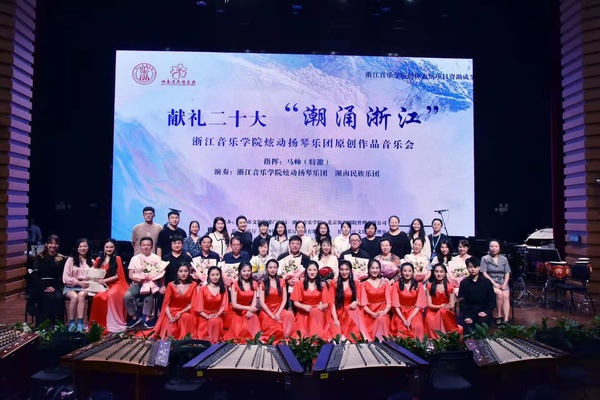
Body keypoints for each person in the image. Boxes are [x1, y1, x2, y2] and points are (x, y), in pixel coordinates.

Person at [88, 238, 129, 333]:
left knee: (111, 294)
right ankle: (99, 324)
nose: (109, 249)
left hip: (116, 283)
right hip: (102, 284)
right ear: (104, 247)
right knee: (98, 297)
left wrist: (104, 281)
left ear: (114, 248)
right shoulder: (98, 259)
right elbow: (94, 272)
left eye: (111, 247)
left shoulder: (117, 258)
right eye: (107, 247)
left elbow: (117, 276)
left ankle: (112, 323)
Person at [124, 237, 164, 328]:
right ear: (140, 246)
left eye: (148, 245)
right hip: (137, 283)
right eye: (143, 245)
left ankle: (148, 317)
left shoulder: (157, 258)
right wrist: (140, 280)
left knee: (149, 297)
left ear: (151, 246)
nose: (146, 247)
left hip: (150, 284)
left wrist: (149, 280)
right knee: (127, 296)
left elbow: (160, 273)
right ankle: (134, 316)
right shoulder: (134, 258)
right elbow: (130, 275)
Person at [153, 262, 197, 340]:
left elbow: (193, 303)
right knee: (171, 331)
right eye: (181, 271)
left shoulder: (193, 285)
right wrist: (170, 317)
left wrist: (181, 312)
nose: (183, 274)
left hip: (185, 311)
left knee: (187, 317)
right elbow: (166, 304)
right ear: (177, 273)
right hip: (171, 312)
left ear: (189, 272)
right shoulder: (171, 285)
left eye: (186, 271)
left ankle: (185, 340)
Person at [30, 234, 65, 327]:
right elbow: (35, 275)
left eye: (56, 243)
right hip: (40, 285)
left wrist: (54, 287)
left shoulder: (61, 258)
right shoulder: (39, 257)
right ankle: (44, 325)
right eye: (51, 243)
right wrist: (44, 287)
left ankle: (57, 325)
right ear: (46, 244)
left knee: (58, 297)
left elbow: (61, 276)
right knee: (47, 297)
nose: (53, 245)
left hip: (55, 285)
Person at [330, 260, 369, 342]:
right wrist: (335, 319)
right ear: (339, 270)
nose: (344, 272)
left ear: (350, 270)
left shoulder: (356, 284)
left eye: (346, 269)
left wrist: (355, 302)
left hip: (350, 312)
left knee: (355, 311)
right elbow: (331, 303)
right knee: (336, 335)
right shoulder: (333, 284)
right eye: (342, 269)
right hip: (337, 312)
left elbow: (361, 302)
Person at [291, 261, 330, 339]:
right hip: (303, 312)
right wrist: (304, 307)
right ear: (306, 271)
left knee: (317, 334)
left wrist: (322, 306)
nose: (312, 272)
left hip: (317, 312)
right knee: (301, 336)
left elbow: (326, 303)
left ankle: (317, 338)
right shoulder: (299, 284)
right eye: (310, 270)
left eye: (314, 270)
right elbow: (295, 302)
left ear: (317, 271)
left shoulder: (322, 285)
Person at [258, 259, 294, 341]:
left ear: (277, 268)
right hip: (267, 311)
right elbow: (262, 302)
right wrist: (272, 315)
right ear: (267, 269)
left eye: (274, 267)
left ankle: (286, 337)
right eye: (270, 267)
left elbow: (284, 299)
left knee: (289, 314)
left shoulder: (282, 281)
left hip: (279, 309)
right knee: (275, 329)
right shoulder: (262, 283)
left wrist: (278, 313)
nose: (272, 269)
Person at [458, 256, 496, 333]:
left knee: (482, 328)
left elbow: (492, 300)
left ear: (479, 268)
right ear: (467, 268)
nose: (473, 269)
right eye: (470, 267)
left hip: (484, 312)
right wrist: (466, 316)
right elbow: (462, 301)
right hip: (470, 313)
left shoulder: (486, 282)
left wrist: (486, 312)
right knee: (468, 330)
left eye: (475, 267)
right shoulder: (464, 283)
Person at [225, 262, 261, 341]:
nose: (246, 273)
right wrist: (249, 308)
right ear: (240, 272)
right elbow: (234, 304)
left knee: (253, 317)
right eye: (244, 271)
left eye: (248, 271)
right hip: (237, 311)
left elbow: (254, 302)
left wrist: (250, 310)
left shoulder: (254, 284)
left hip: (248, 309)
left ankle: (253, 340)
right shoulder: (235, 285)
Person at [63, 238, 93, 332]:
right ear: (77, 248)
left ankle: (80, 323)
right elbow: (65, 278)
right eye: (80, 246)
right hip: (71, 286)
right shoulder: (70, 260)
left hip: (85, 286)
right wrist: (77, 282)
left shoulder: (92, 261)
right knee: (74, 297)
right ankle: (72, 323)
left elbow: (94, 277)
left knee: (81, 295)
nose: (83, 248)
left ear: (88, 247)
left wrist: (86, 281)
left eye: (85, 246)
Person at [391, 262, 426, 339]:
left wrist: (410, 318)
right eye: (405, 271)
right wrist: (403, 319)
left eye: (409, 271)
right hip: (400, 312)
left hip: (414, 312)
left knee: (417, 326)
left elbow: (419, 305)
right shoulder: (396, 285)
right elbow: (396, 305)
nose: (407, 273)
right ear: (401, 272)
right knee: (401, 329)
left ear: (413, 272)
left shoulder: (419, 285)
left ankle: (417, 344)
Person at [424, 264, 461, 339]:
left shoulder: (450, 286)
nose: (439, 274)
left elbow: (452, 305)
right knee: (430, 322)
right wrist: (439, 307)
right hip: (433, 312)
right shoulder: (429, 286)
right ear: (433, 273)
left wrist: (445, 307)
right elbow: (429, 304)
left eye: (441, 272)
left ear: (445, 273)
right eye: (436, 271)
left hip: (446, 311)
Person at [194, 266, 228, 343]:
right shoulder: (202, 289)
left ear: (220, 275)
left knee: (214, 322)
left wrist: (217, 314)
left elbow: (223, 305)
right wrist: (207, 316)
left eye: (217, 275)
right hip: (204, 317)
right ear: (209, 276)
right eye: (212, 275)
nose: (215, 277)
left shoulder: (223, 289)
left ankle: (214, 342)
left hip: (218, 315)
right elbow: (199, 308)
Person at [481, 240, 511, 324]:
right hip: (490, 282)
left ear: (499, 248)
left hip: (502, 281)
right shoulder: (485, 258)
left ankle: (506, 319)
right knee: (499, 294)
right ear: (489, 248)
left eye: (496, 246)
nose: (494, 248)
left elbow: (507, 272)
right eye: (492, 246)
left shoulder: (504, 259)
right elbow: (484, 273)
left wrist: (505, 283)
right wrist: (494, 283)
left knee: (506, 295)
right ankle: (499, 315)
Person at [361, 259, 391, 341]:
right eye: (373, 268)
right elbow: (363, 304)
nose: (375, 270)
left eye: (377, 268)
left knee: (382, 319)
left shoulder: (385, 283)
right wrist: (372, 313)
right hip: (369, 314)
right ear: (368, 269)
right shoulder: (363, 284)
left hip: (382, 312)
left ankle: (383, 343)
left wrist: (384, 312)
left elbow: (389, 303)